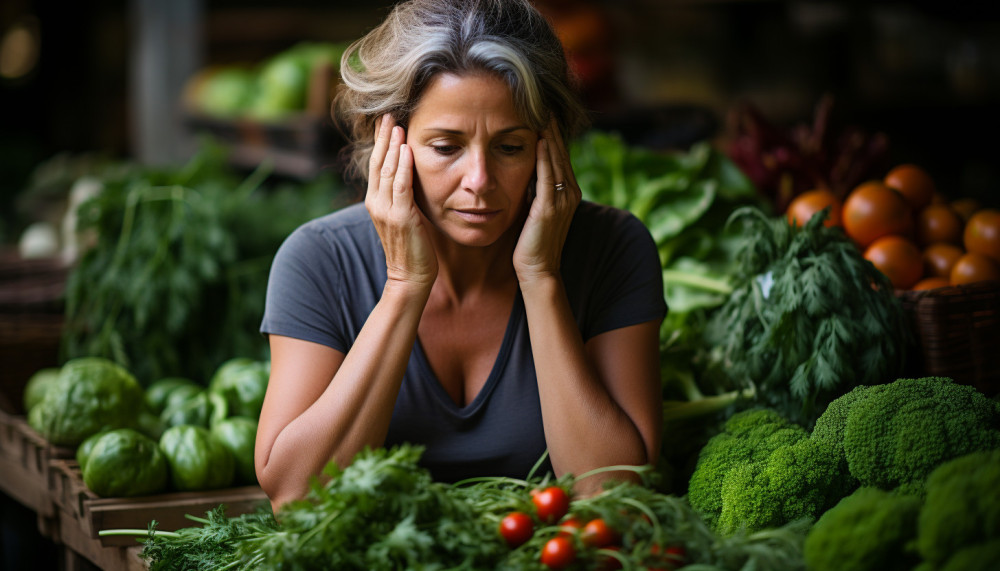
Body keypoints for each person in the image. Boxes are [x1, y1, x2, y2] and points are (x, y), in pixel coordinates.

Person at [256, 0, 666, 511]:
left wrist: (541, 277)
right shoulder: (319, 260)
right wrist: (405, 286)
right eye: (447, 147)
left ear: (550, 143)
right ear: (392, 144)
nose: (479, 181)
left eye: (510, 147)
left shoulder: (614, 249)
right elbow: (296, 497)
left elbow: (614, 493)